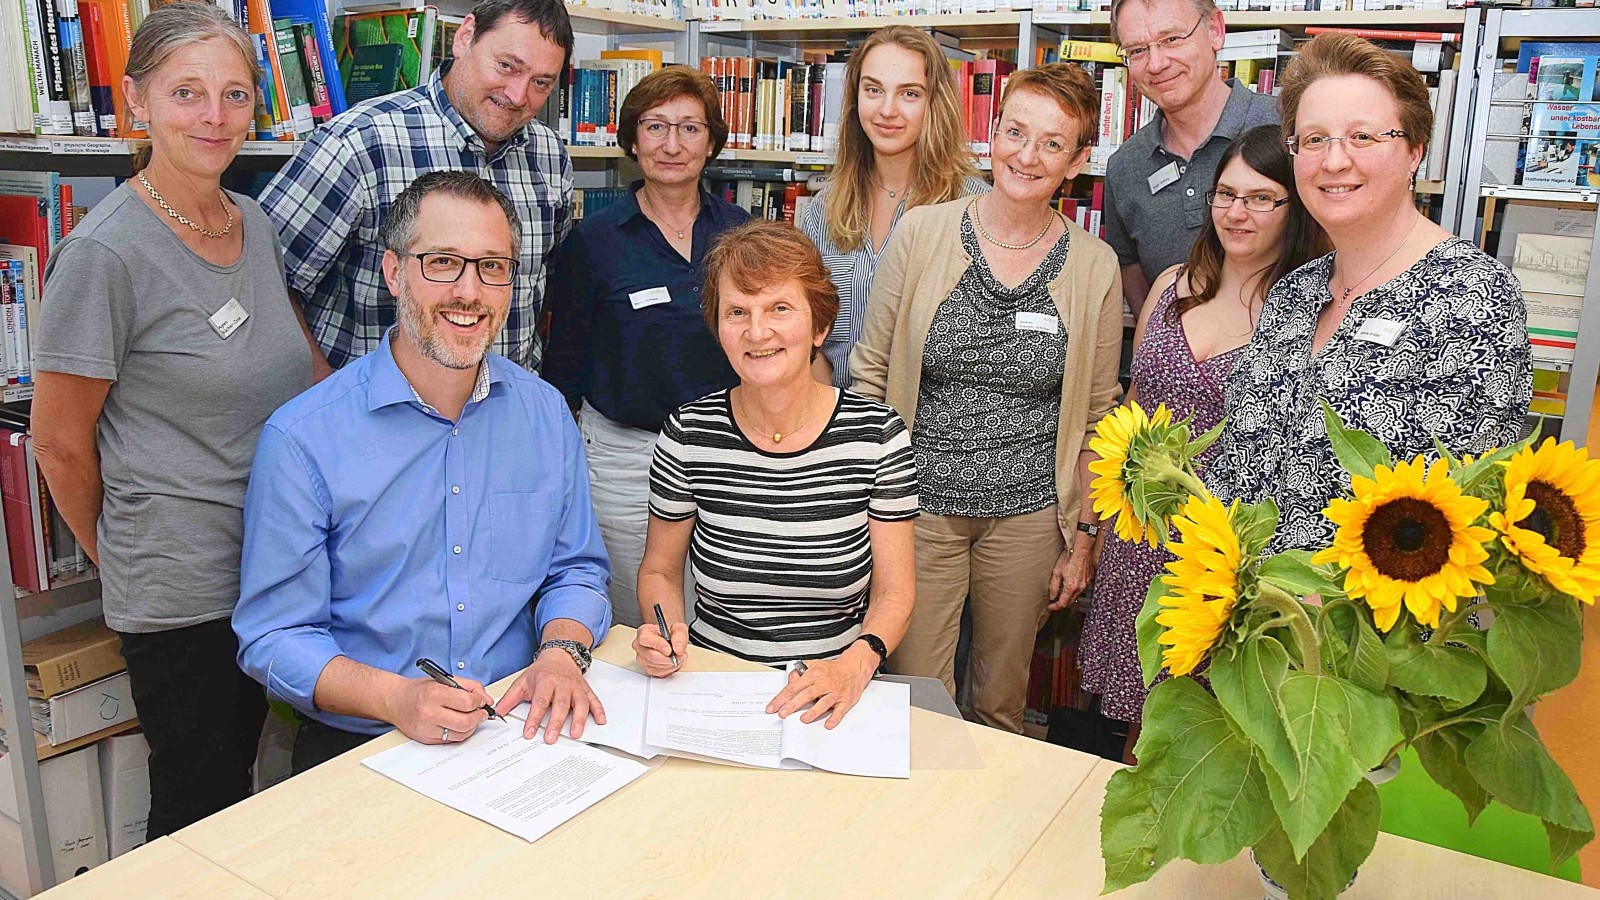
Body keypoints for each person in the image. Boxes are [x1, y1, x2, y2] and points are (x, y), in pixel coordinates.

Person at [28, 4, 312, 837]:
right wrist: (124, 550)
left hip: (271, 561)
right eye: (187, 92)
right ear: (136, 102)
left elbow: (292, 366)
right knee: (200, 806)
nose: (214, 117)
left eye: (233, 94)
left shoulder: (252, 222)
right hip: (181, 586)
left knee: (254, 781)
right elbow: (56, 440)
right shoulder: (106, 253)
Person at [233, 172, 612, 773]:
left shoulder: (545, 413)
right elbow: (274, 637)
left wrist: (562, 653)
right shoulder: (303, 438)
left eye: (492, 266)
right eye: (442, 263)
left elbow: (575, 569)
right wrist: (396, 697)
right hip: (366, 743)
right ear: (392, 272)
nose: (470, 291)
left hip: (517, 727)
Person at [851, 64, 1124, 733]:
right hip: (918, 510)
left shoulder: (1095, 266)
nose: (1026, 156)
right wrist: (866, 498)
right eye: (1014, 132)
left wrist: (1083, 540)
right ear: (992, 133)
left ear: (1079, 160)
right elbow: (869, 372)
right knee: (916, 698)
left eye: (1052, 144)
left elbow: (1096, 416)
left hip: (1029, 522)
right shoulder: (922, 234)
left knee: (1001, 703)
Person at [1211, 34, 1532, 554]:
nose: (1335, 162)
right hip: (1255, 619)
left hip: (1380, 627)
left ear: (1415, 152)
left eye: (1363, 137)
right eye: (1314, 139)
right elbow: (1235, 465)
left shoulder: (1474, 295)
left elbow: (1465, 516)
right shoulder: (1294, 292)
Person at [1079, 124, 1324, 762]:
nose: (1236, 213)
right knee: (1137, 725)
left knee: (1204, 730)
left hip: (1224, 555)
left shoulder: (1306, 312)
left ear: (1295, 208)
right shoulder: (1170, 287)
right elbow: (1132, 412)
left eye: (1261, 198)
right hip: (1140, 540)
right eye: (1225, 194)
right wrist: (1094, 529)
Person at [633, 221, 918, 730]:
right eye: (737, 312)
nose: (757, 332)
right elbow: (659, 570)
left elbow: (895, 590)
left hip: (835, 690)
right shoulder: (687, 433)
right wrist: (664, 629)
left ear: (819, 327)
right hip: (713, 683)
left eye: (779, 309)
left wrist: (857, 663)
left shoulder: (877, 435)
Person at [258, 0, 575, 377]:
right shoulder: (360, 142)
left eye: (541, 82)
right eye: (507, 66)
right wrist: (324, 394)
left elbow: (547, 285)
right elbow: (267, 278)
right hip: (373, 418)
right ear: (465, 37)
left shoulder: (551, 156)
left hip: (501, 414)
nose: (519, 95)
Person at [542, 67, 748, 627]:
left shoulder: (743, 235)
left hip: (727, 453)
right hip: (626, 458)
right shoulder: (594, 241)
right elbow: (564, 363)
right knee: (639, 621)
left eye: (690, 127)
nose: (672, 145)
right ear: (632, 139)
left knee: (720, 615)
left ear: (712, 142)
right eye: (655, 127)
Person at [798, 25, 989, 388]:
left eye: (909, 94)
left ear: (935, 102)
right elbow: (806, 339)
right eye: (873, 90)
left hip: (933, 430)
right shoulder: (821, 210)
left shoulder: (974, 208)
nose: (887, 110)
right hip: (835, 420)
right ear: (855, 99)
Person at [1103, 0, 1278, 315]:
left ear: (1215, 31)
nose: (1156, 64)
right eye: (1137, 50)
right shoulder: (1124, 169)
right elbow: (1140, 288)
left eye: (1171, 39)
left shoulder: (1289, 128)